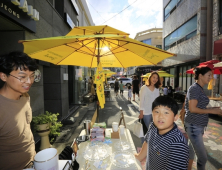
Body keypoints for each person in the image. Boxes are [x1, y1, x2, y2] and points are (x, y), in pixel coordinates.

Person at [0, 51, 38, 170]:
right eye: (22, 77)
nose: (29, 81)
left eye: (32, 76)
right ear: (3, 76)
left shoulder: (25, 96)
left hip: (33, 162)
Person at [135, 96, 189, 170]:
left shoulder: (178, 144)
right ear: (152, 113)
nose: (160, 116)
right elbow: (146, 145)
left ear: (175, 117)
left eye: (166, 112)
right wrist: (136, 156)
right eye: (157, 112)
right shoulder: (153, 126)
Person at [184, 67, 222, 170]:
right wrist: (211, 111)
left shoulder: (199, 88)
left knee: (191, 152)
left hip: (196, 125)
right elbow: (192, 108)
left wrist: (213, 108)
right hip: (194, 125)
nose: (211, 77)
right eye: (209, 75)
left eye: (211, 75)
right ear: (200, 76)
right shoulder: (195, 88)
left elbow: (199, 106)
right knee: (203, 158)